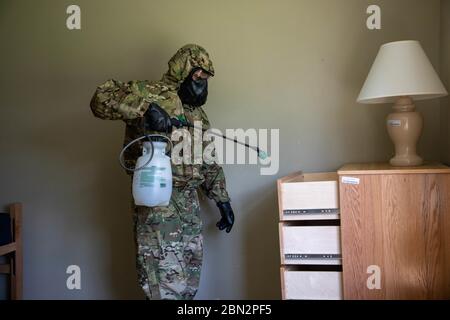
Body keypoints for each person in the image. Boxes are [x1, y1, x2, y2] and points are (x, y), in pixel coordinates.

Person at [90, 44, 235, 300]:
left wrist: (222, 199)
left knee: (189, 278)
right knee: (162, 280)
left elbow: (208, 161)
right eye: (198, 77)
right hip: (159, 201)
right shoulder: (149, 93)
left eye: (206, 79)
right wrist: (146, 109)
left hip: (189, 203)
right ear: (184, 72)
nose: (202, 84)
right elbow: (101, 98)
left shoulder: (197, 114)